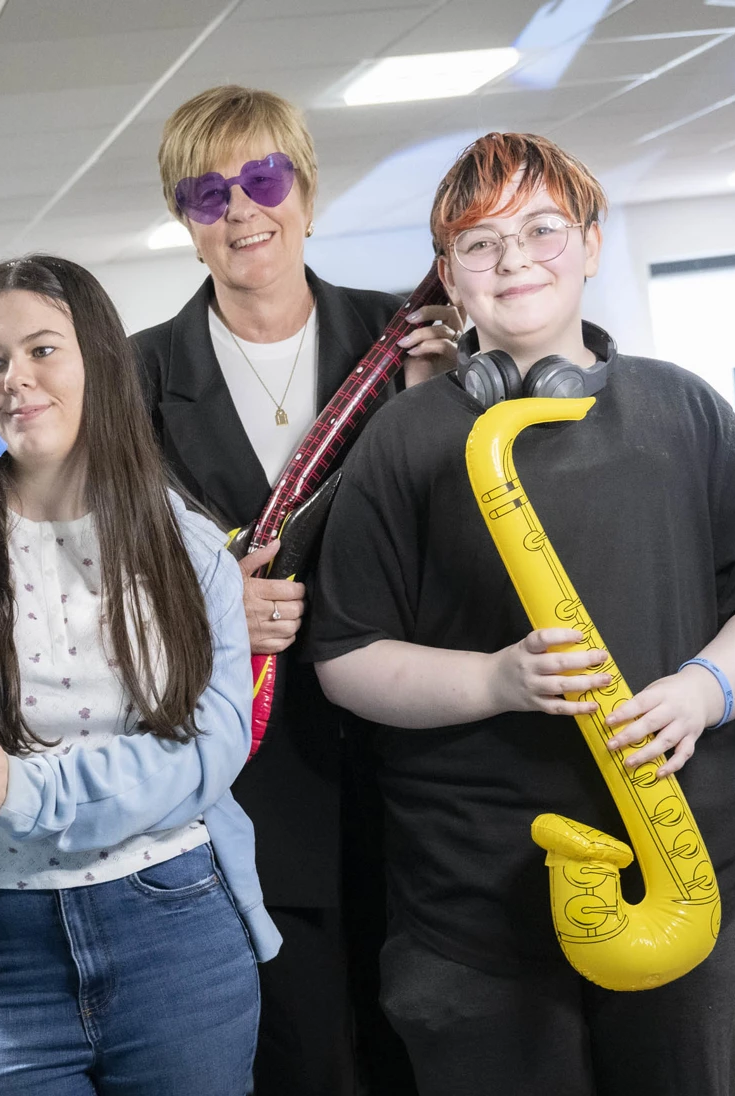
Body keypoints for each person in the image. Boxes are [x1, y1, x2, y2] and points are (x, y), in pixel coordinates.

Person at [306, 132, 735, 1095]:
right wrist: (493, 679)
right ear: (450, 279)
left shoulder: (685, 410)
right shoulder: (402, 440)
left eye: (542, 229)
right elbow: (346, 655)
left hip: (685, 860)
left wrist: (704, 692)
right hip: (472, 895)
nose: (515, 260)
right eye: (480, 244)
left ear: (589, 244)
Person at [0, 254, 276, 1095]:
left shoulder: (181, 544)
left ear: (98, 364)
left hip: (173, 924)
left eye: (44, 350)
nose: (15, 381)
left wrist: (29, 792)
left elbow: (213, 748)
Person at [131, 84, 462, 1096]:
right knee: (312, 1059)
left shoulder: (412, 340)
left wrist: (424, 414)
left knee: (438, 1043)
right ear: (184, 225)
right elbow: (103, 575)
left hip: (422, 761)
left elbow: (469, 540)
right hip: (259, 782)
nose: (240, 209)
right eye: (205, 191)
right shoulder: (135, 380)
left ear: (306, 195)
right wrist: (204, 605)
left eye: (263, 178)